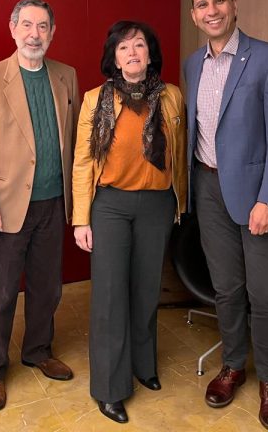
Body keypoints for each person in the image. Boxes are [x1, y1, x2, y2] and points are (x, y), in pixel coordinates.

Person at [184, 0, 268, 431]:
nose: (211, 11)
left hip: (256, 197)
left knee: (266, 294)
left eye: (218, 1)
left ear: (234, 4)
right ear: (193, 14)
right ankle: (233, 365)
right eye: (201, 5)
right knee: (227, 288)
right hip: (207, 188)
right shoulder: (192, 64)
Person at [0, 0, 80, 411]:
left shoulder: (66, 76)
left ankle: (37, 350)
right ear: (12, 28)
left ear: (52, 32)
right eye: (27, 25)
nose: (35, 34)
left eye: (43, 26)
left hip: (53, 203)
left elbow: (74, 146)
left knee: (47, 288)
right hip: (6, 206)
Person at [72, 21, 187, 424]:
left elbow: (181, 152)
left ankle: (143, 365)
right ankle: (109, 387)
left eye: (140, 45)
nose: (133, 52)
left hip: (156, 205)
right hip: (110, 206)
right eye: (124, 47)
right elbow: (84, 160)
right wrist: (80, 218)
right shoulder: (95, 99)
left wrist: (180, 204)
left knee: (145, 290)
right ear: (114, 57)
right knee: (109, 296)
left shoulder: (171, 96)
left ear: (151, 54)